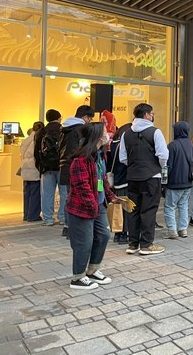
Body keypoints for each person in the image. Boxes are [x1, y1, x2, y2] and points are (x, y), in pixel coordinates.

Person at [66, 122, 122, 290]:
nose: (108, 135)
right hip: (82, 208)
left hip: (98, 206)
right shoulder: (81, 159)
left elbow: (102, 179)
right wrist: (92, 205)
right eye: (105, 132)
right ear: (97, 136)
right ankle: (77, 277)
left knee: (103, 235)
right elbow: (81, 186)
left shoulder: (99, 155)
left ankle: (92, 270)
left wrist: (111, 197)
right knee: (84, 242)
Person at [120, 103, 169, 255]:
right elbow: (163, 155)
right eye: (152, 113)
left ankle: (133, 244)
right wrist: (158, 167)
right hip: (151, 177)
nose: (153, 116)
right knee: (148, 210)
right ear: (147, 115)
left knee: (133, 210)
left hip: (132, 177)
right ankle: (146, 245)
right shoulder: (155, 132)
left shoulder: (126, 134)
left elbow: (123, 158)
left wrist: (135, 165)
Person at [59, 105, 95, 238]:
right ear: (85, 117)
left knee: (69, 197)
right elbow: (80, 150)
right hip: (76, 167)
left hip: (64, 166)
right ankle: (73, 227)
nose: (89, 121)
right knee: (77, 197)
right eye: (90, 118)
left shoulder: (64, 129)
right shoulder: (80, 130)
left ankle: (67, 226)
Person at [34, 109, 67, 227]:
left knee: (47, 193)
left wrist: (40, 166)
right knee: (64, 193)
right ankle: (63, 217)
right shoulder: (64, 130)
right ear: (59, 118)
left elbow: (36, 152)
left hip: (46, 167)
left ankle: (48, 218)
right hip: (62, 166)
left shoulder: (41, 132)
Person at [163, 121, 193, 239]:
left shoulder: (172, 145)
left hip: (174, 182)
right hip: (187, 181)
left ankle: (172, 231)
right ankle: (183, 229)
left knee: (170, 207)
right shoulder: (190, 144)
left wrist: (163, 181)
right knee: (183, 206)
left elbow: (168, 166)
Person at [108, 123, 130, 243]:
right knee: (126, 209)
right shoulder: (125, 145)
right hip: (125, 180)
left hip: (116, 180)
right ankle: (123, 234)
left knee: (118, 207)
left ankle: (117, 233)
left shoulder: (113, 144)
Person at [21, 121, 44, 222]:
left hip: (25, 170)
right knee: (35, 194)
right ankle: (33, 216)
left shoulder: (26, 140)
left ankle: (26, 215)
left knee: (27, 194)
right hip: (34, 170)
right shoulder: (38, 140)